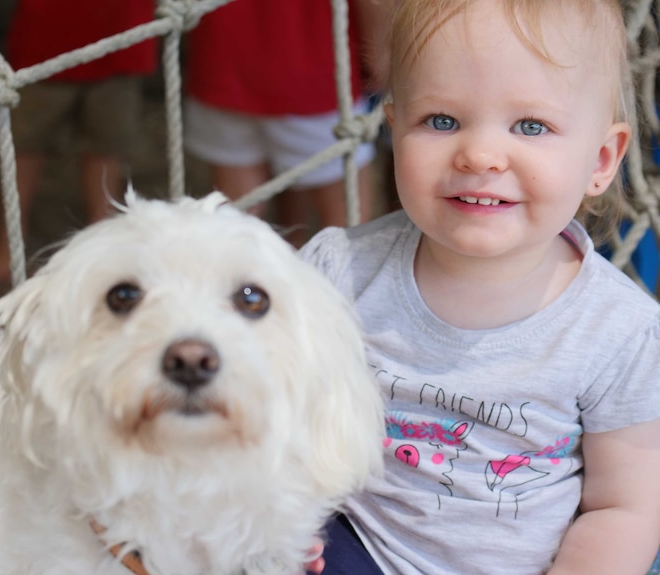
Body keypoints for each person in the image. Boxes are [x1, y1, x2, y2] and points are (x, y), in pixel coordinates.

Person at [301, 0, 660, 574]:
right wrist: (285, 515)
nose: (481, 155)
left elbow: (624, 507)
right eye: (441, 121)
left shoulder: (619, 331)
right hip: (356, 544)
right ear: (395, 130)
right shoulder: (337, 271)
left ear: (601, 158)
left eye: (531, 126)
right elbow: (275, 413)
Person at [183, 0, 389, 247]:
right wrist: (382, 57)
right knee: (350, 233)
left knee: (235, 225)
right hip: (314, 72)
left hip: (222, 60)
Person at [0, 1, 158, 283]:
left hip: (120, 42)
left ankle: (105, 246)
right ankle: (9, 242)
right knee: (25, 147)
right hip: (44, 44)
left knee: (107, 149)